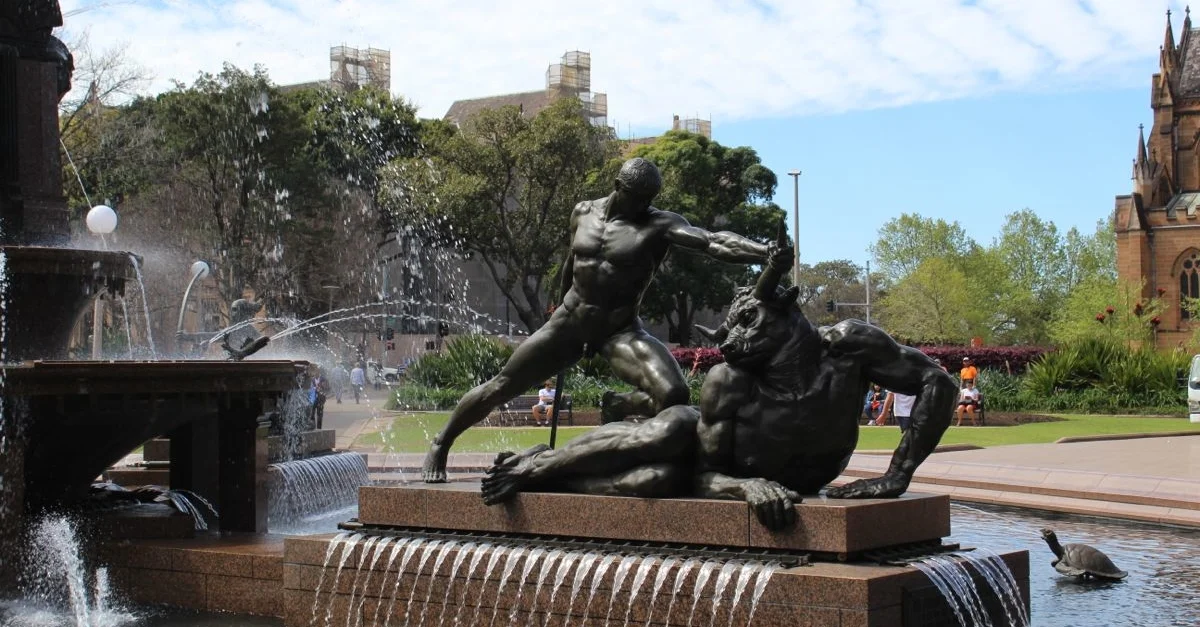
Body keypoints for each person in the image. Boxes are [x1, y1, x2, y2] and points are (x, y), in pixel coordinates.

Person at [480, 237, 957, 530]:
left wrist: (897, 475)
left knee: (658, 479)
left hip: (766, 479)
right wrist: (747, 488)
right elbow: (706, 475)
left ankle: (542, 467)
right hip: (714, 461)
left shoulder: (849, 347)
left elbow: (938, 383)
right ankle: (538, 468)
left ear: (786, 310)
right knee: (670, 430)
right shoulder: (730, 381)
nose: (732, 343)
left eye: (748, 321)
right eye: (731, 331)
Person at [422, 157, 777, 482]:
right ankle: (441, 443)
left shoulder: (658, 224)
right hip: (570, 321)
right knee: (502, 385)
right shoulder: (583, 211)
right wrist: (556, 311)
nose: (644, 205)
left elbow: (713, 242)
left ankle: (619, 406)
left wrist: (765, 252)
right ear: (619, 186)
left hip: (619, 330)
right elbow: (571, 263)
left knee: (674, 393)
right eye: (638, 197)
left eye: (649, 199)